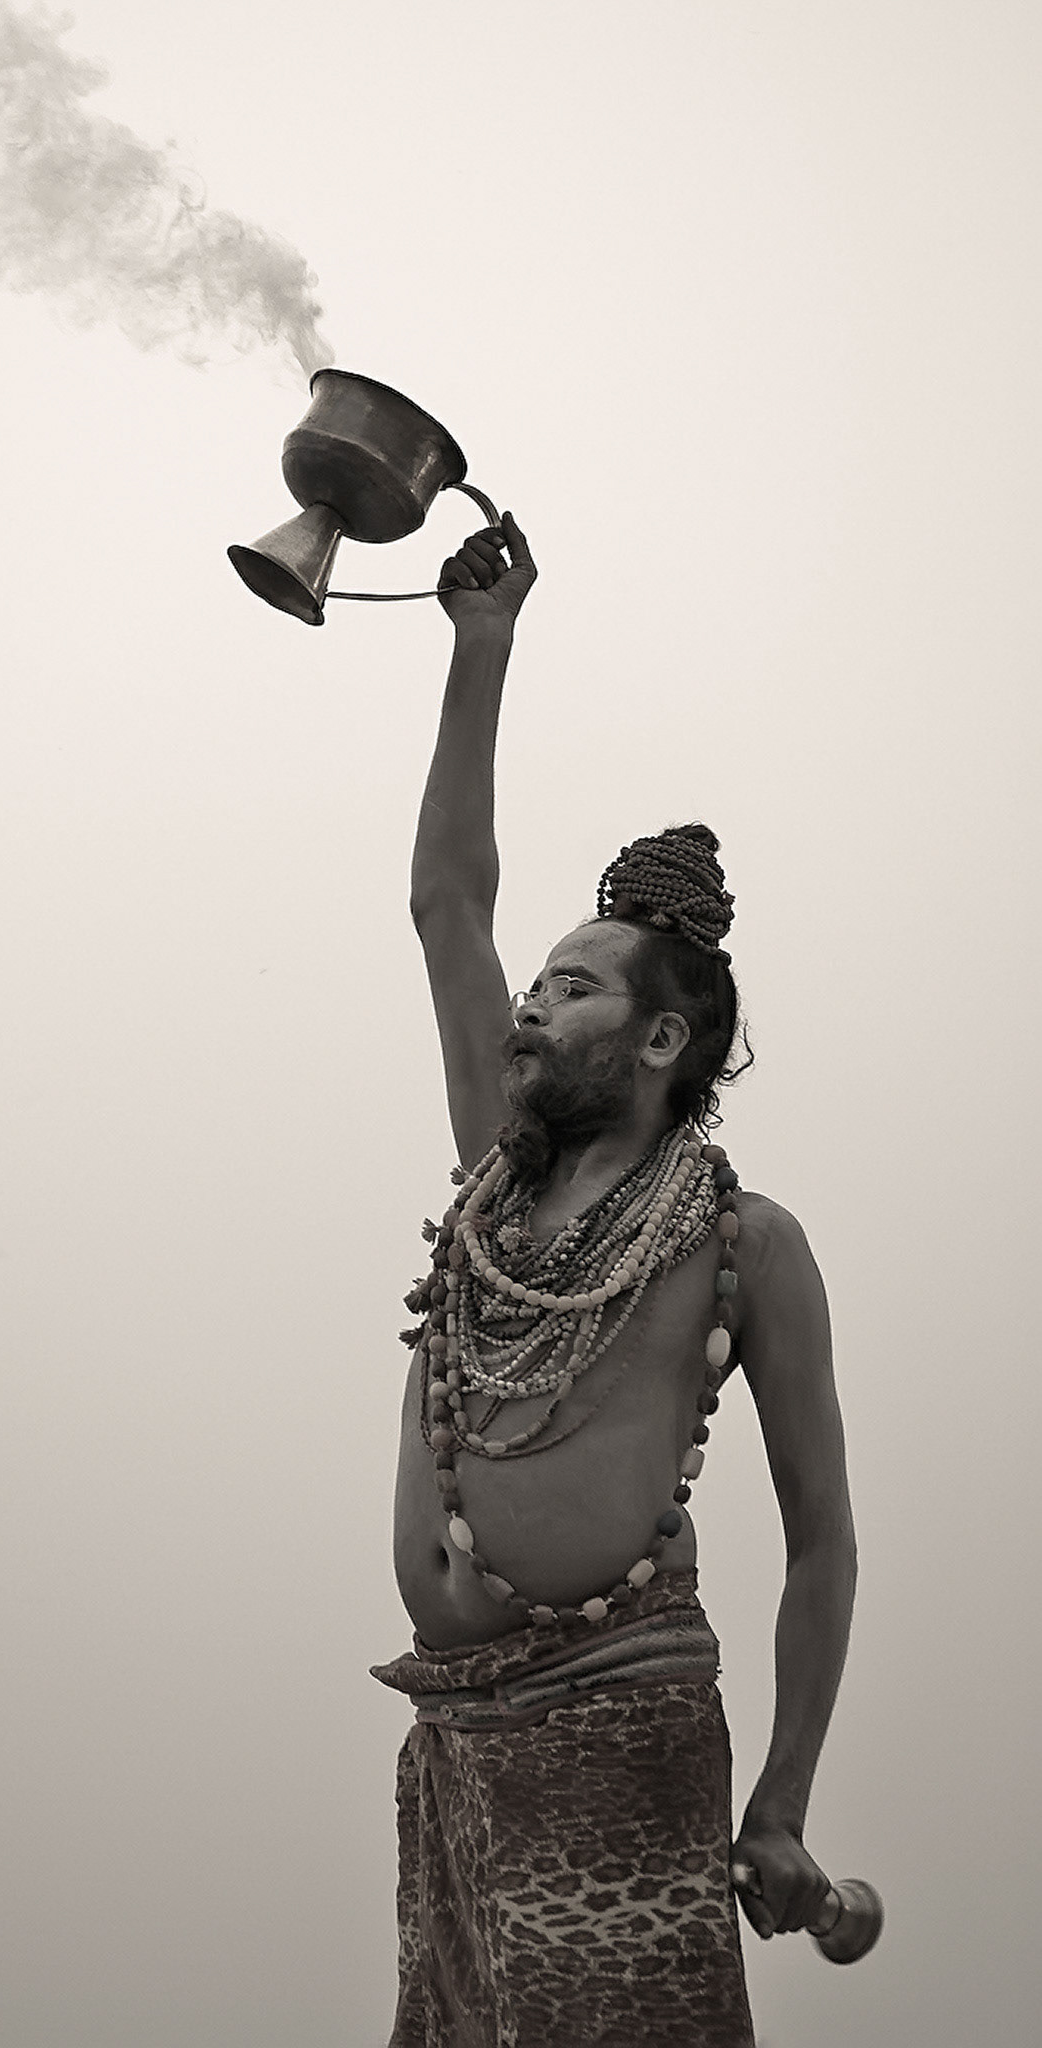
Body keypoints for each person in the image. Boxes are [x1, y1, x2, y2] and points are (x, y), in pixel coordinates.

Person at [372, 515, 858, 2047]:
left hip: (625, 1726)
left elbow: (824, 1544)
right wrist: (482, 643)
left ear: (661, 1041)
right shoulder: (494, 1172)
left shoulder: (740, 1240)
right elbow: (448, 899)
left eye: (569, 987)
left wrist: (778, 1807)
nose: (528, 1001)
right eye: (539, 981)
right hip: (456, 1746)